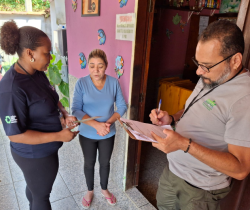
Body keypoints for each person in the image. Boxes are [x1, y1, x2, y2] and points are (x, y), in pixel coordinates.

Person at [149, 20, 250, 210]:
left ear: (235, 61)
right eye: (198, 63)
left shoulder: (244, 99)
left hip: (200, 191)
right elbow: (192, 108)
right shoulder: (212, 75)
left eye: (206, 66)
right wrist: (171, 118)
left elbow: (240, 169)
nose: (198, 71)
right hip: (172, 172)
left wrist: (184, 144)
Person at [0, 20, 79, 210]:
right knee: (42, 198)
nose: (50, 57)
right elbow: (15, 134)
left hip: (46, 149)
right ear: (30, 53)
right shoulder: (12, 88)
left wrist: (64, 113)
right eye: (47, 52)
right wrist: (59, 135)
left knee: (36, 190)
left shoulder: (36, 72)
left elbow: (50, 97)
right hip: (34, 155)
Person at [72, 49, 127, 209]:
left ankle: (104, 189)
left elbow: (122, 106)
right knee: (89, 163)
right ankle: (90, 191)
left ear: (106, 66)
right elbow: (76, 109)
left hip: (108, 132)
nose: (96, 70)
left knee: (105, 162)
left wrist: (107, 124)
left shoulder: (113, 82)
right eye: (92, 66)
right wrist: (96, 125)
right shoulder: (81, 83)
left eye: (100, 66)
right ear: (87, 66)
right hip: (87, 133)